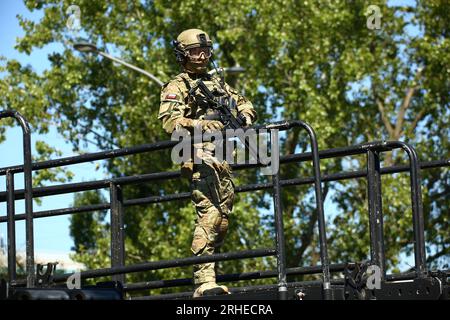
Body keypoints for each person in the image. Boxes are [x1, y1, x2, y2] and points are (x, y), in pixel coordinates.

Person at [158, 29, 257, 298]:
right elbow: (170, 122)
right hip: (197, 154)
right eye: (193, 52)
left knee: (222, 220)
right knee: (209, 215)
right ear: (182, 54)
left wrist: (245, 115)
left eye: (204, 51)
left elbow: (242, 101)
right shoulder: (176, 85)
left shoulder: (217, 83)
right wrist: (200, 124)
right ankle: (204, 281)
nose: (201, 56)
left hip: (223, 157)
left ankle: (209, 273)